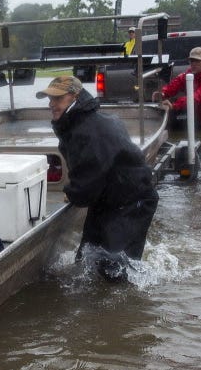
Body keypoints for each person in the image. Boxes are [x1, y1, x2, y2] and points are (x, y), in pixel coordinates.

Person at [37, 76, 159, 281]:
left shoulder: (89, 130)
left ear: (74, 97)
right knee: (86, 260)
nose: (51, 104)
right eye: (50, 99)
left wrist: (72, 193)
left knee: (114, 271)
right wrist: (76, 191)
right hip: (107, 200)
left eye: (57, 99)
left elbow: (88, 179)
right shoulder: (81, 123)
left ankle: (127, 307)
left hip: (131, 203)